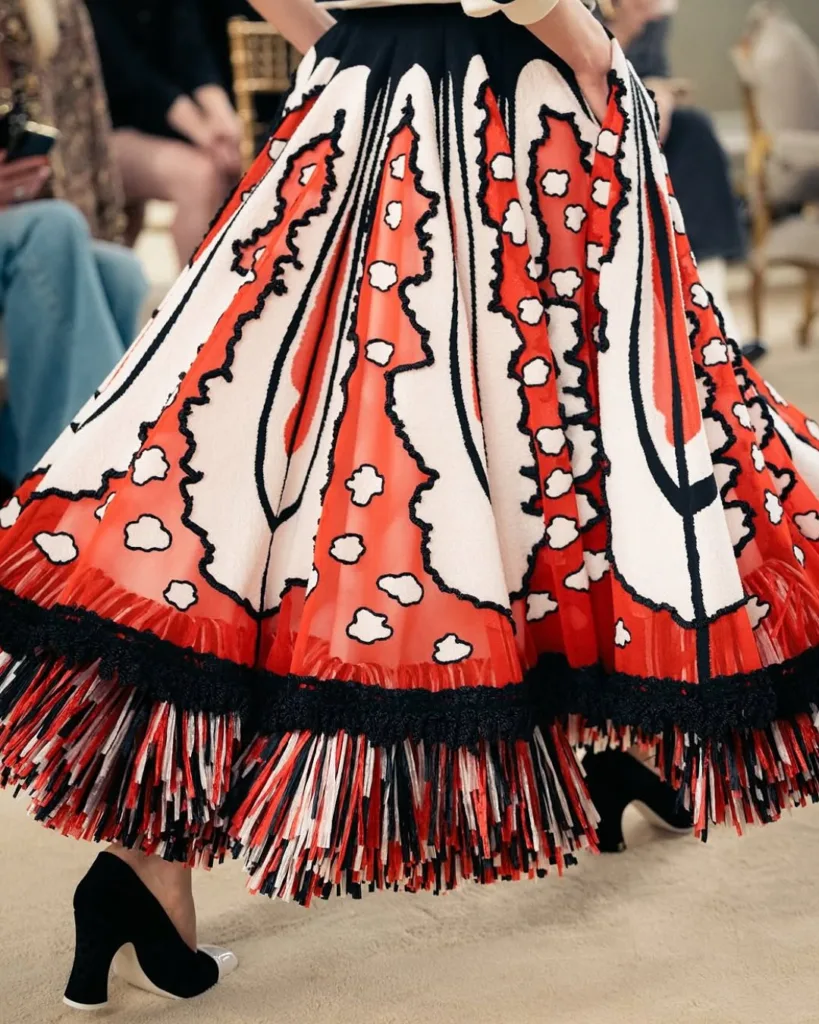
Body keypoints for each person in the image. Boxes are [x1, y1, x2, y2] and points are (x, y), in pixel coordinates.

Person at [2, 0, 819, 1009]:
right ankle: (620, 739)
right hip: (503, 95)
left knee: (263, 460)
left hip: (355, 91)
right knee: (575, 419)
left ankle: (144, 865)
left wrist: (351, 48)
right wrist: (589, 50)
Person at [602, 0, 768, 362]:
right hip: (586, 119)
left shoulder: (656, 15)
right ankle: (710, 331)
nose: (656, 14)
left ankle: (716, 321)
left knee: (695, 132)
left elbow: (653, 72)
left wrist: (659, 94)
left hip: (640, 118)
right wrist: (622, 36)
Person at [86, 0, 244, 263]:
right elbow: (128, 73)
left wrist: (222, 121)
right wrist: (202, 131)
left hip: (165, 127)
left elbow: (191, 50)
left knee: (232, 170)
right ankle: (196, 286)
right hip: (102, 131)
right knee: (199, 177)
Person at [0, 0, 128, 242]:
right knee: (59, 223)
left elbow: (88, 134)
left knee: (118, 263)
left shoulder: (58, 12)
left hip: (37, 211)